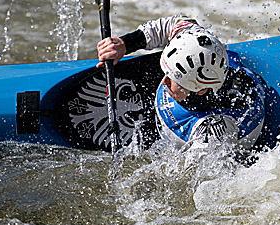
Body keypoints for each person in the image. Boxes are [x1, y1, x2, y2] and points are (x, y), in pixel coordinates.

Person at [97, 15, 266, 149]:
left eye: (173, 80)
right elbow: (175, 24)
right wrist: (126, 44)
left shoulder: (211, 134)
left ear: (200, 90)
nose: (164, 82)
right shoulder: (197, 41)